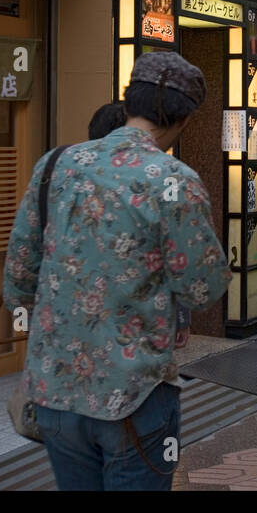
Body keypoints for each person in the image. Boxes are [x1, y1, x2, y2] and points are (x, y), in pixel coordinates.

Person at [4, 52, 230, 491]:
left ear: (127, 104)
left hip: (55, 389)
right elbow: (203, 287)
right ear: (183, 120)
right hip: (134, 394)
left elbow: (17, 277)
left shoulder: (56, 164)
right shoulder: (172, 179)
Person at [87, 100, 192, 344]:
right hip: (139, 339)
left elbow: (22, 269)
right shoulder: (162, 181)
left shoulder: (59, 169)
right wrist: (182, 317)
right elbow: (181, 263)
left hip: (75, 336)